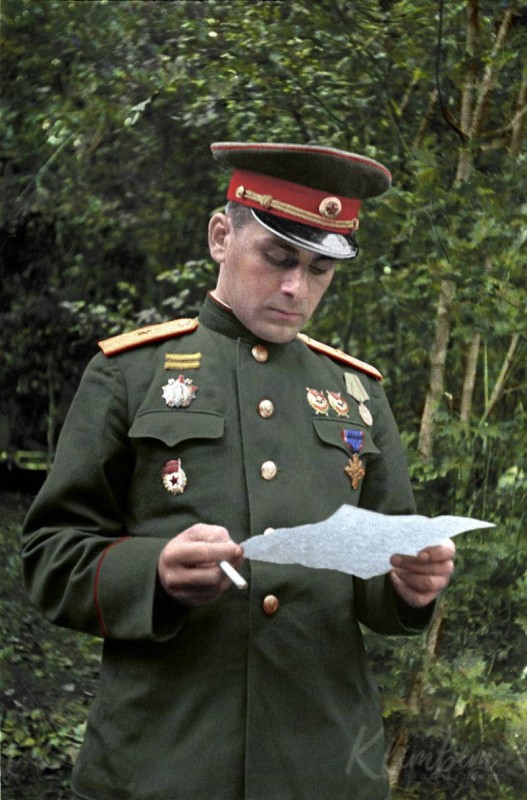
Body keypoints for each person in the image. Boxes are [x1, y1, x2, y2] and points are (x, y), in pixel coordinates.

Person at [22, 141, 455, 800]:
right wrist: (154, 571)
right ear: (221, 236)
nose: (296, 287)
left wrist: (410, 585)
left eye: (319, 269)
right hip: (163, 761)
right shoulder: (130, 375)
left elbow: (379, 574)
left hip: (322, 765)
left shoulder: (358, 394)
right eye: (277, 257)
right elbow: (50, 555)